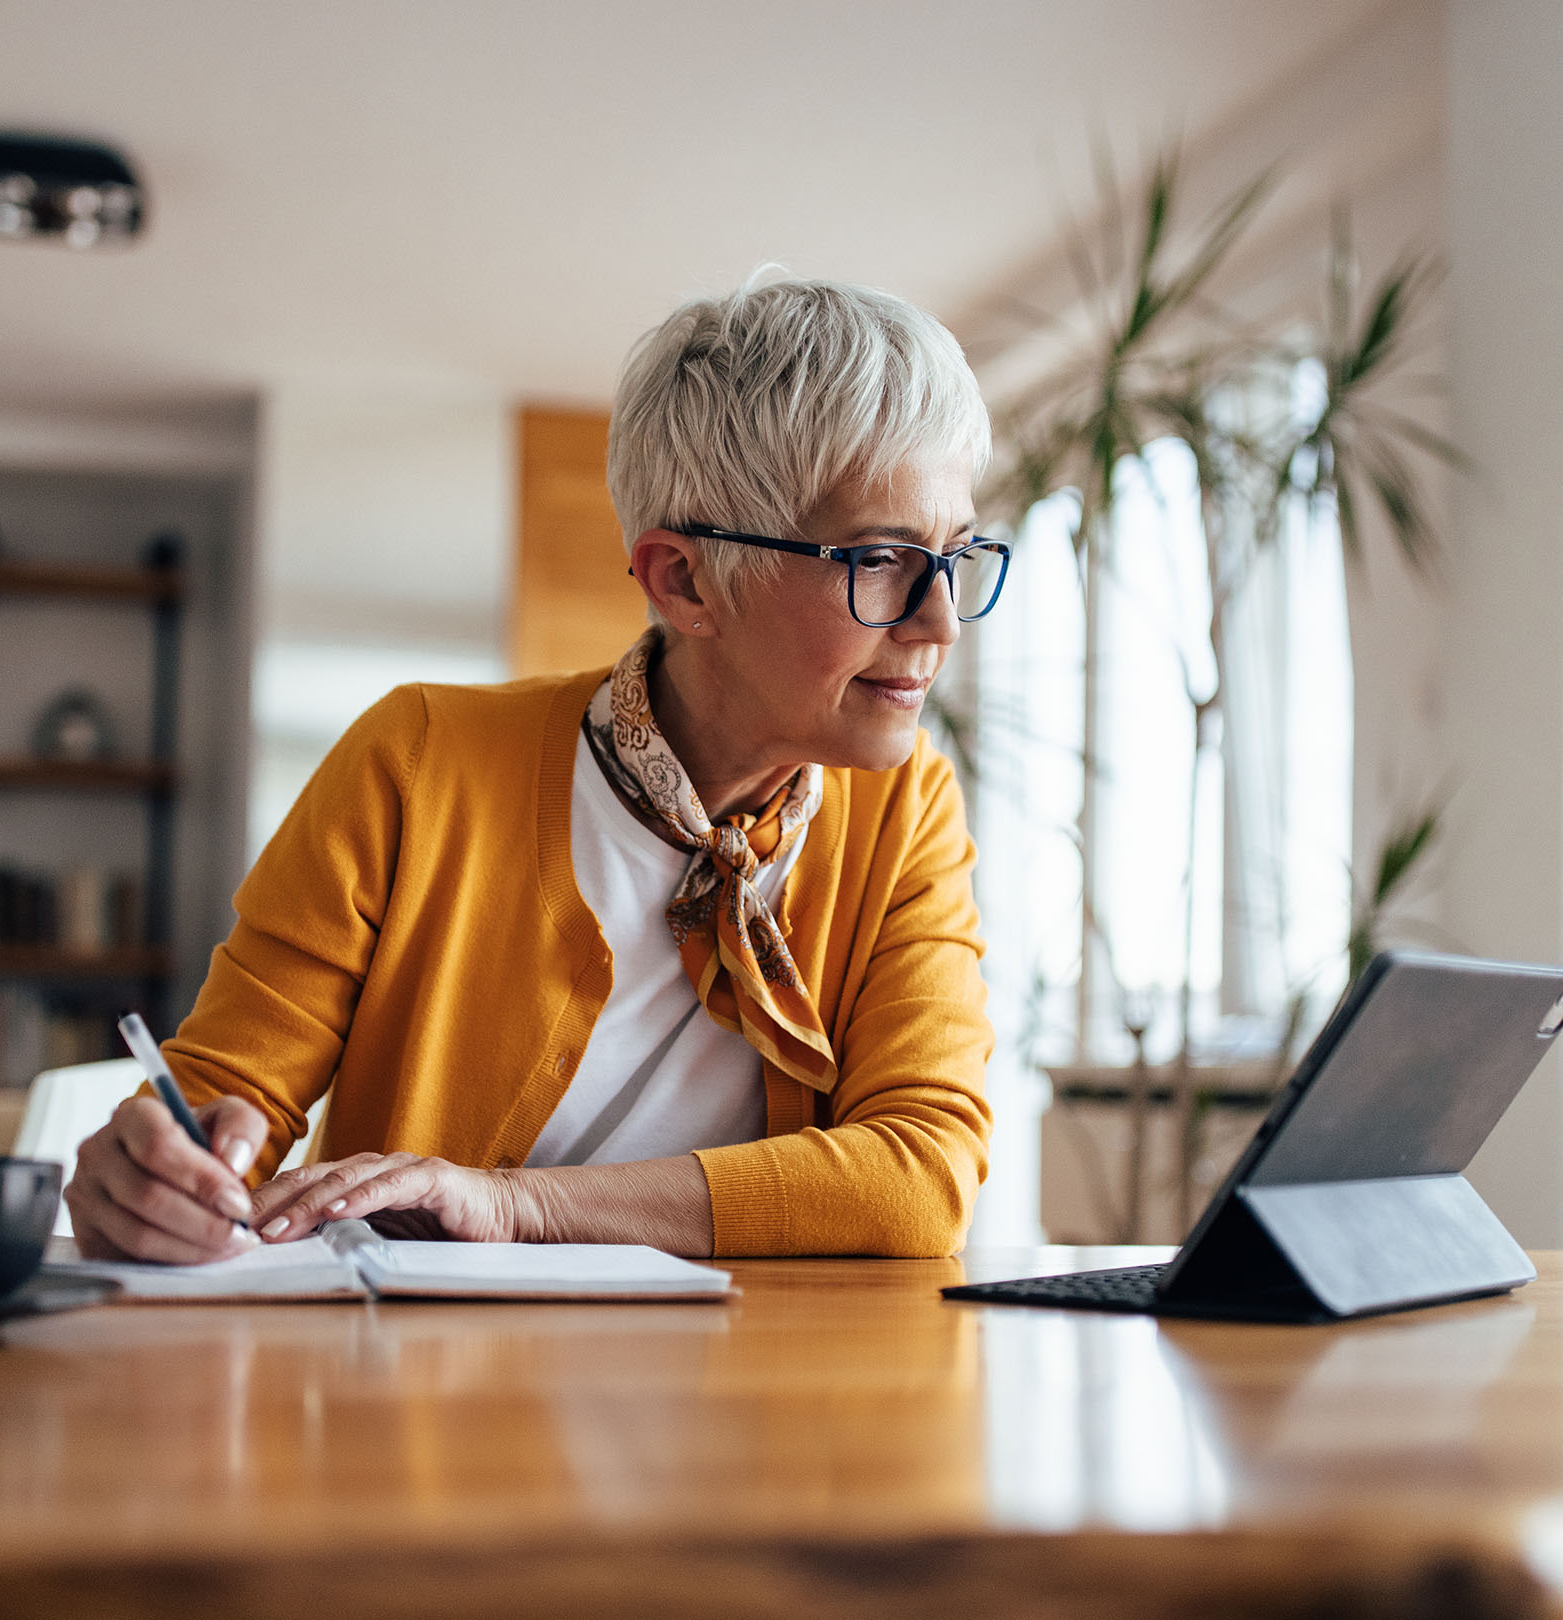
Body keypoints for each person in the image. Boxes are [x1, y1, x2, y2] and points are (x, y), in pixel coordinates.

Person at [67, 277, 1004, 1262]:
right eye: (880, 560)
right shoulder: (418, 762)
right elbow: (226, 1114)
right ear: (683, 579)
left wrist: (518, 1206)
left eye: (958, 554)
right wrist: (161, 1179)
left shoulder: (906, 807)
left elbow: (919, 1177)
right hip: (429, 1403)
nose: (940, 621)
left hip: (753, 1401)